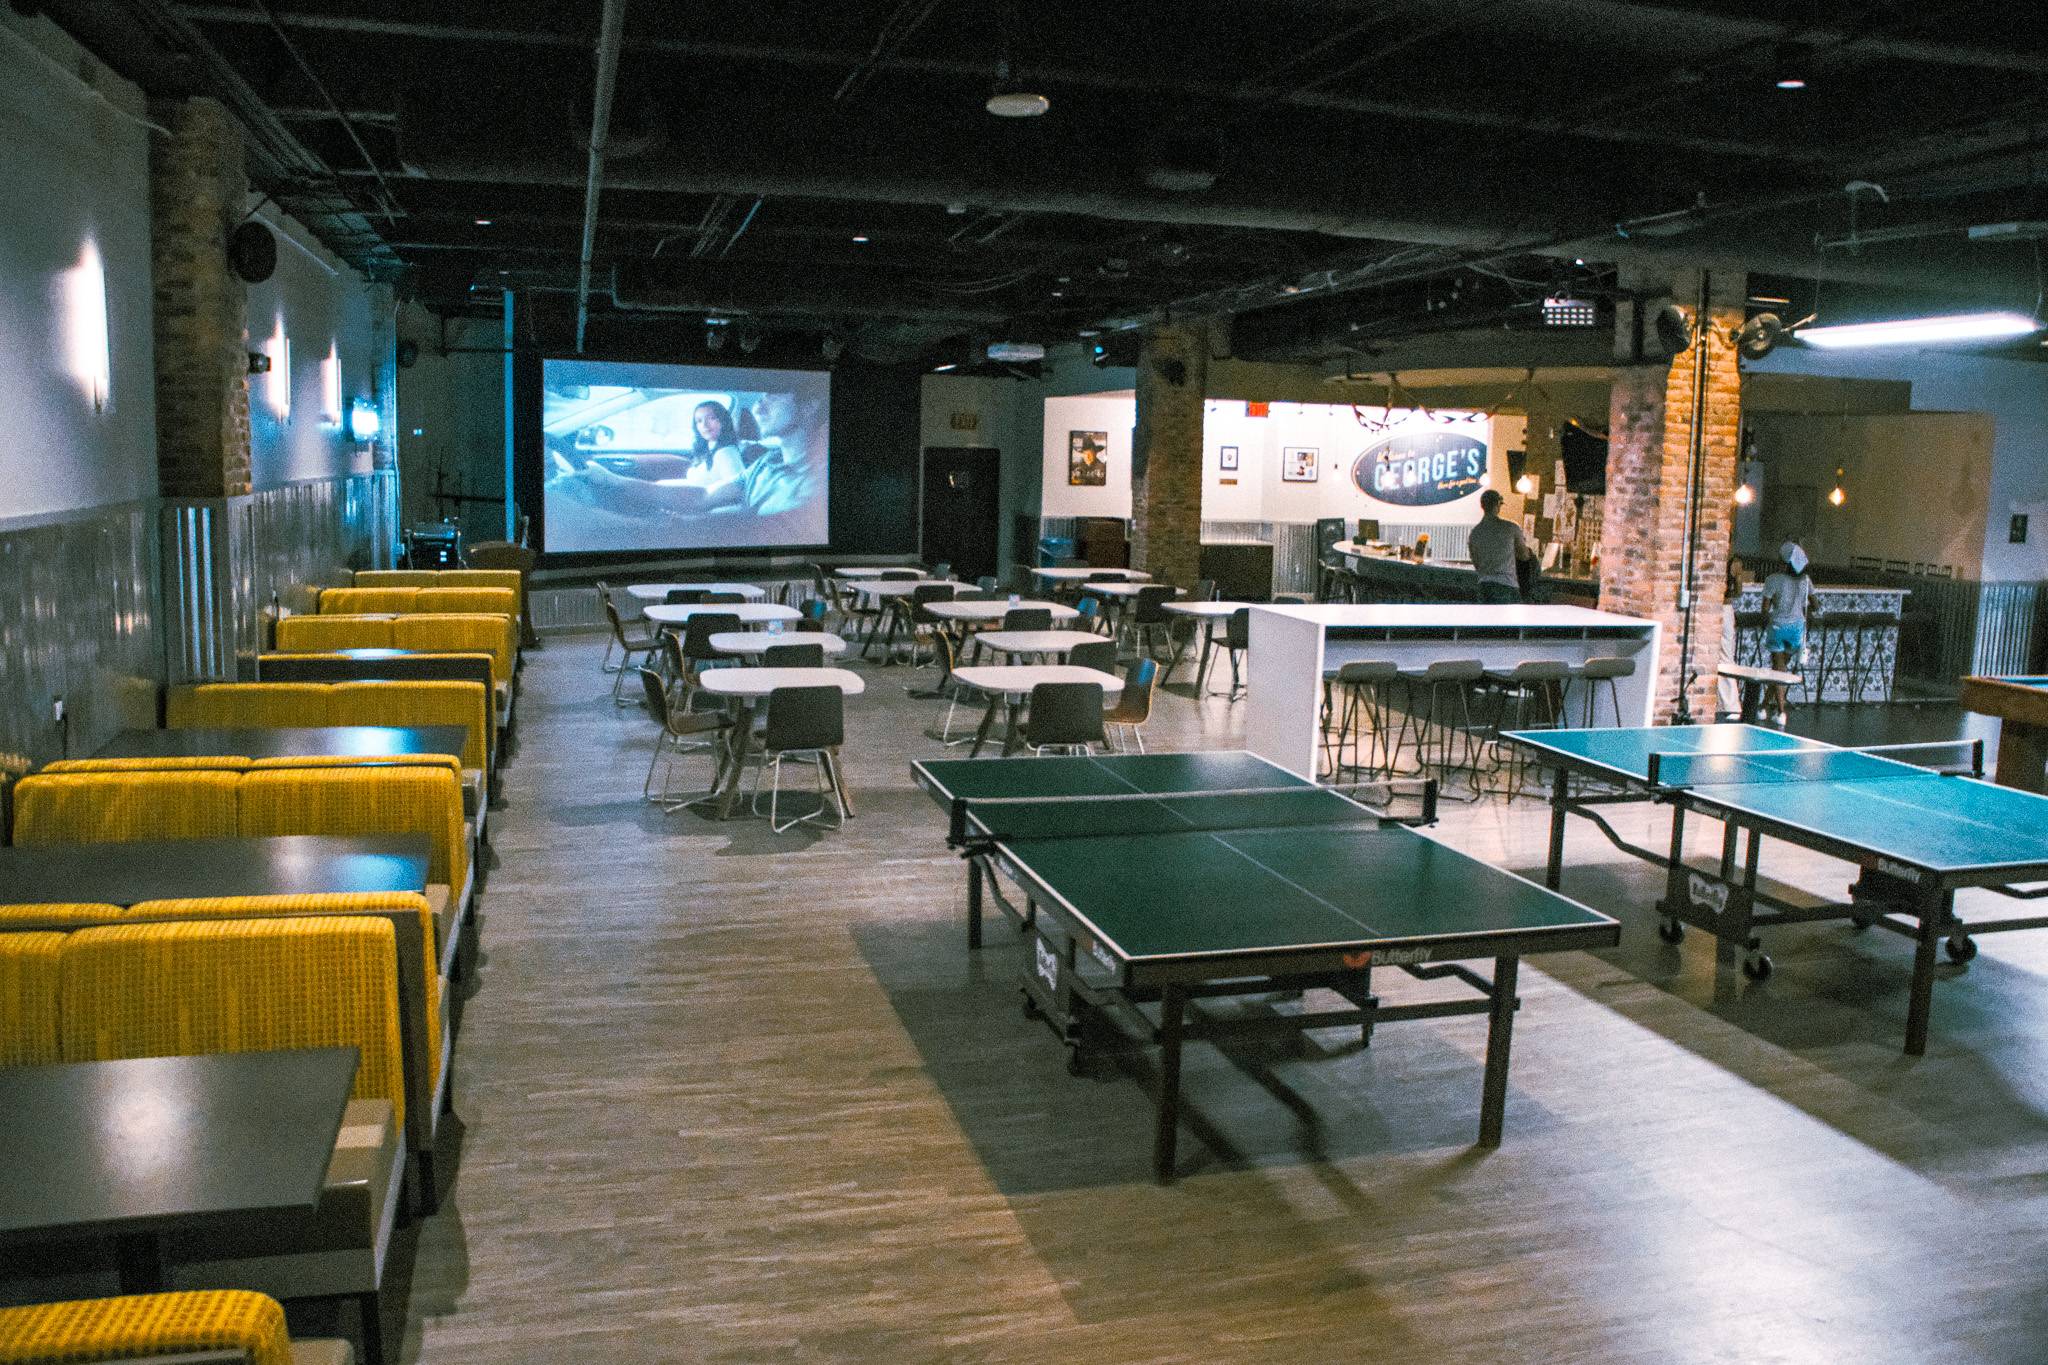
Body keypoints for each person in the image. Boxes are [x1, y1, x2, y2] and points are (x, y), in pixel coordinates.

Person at [1761, 542, 1812, 724]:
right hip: (1796, 629)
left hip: (1778, 628)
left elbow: (1765, 609)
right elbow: (1815, 604)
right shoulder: (1805, 580)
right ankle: (1763, 707)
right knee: (1780, 670)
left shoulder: (1773, 579)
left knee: (1778, 670)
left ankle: (1781, 712)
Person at [1467, 488, 1534, 604]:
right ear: (1498, 505)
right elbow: (1524, 556)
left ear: (1482, 506)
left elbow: (1477, 564)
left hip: (1484, 587)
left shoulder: (1475, 533)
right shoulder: (1511, 528)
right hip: (1506, 587)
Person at [685, 400, 746, 489]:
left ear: (723, 421)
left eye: (711, 418)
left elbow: (738, 490)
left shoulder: (726, 452)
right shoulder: (707, 451)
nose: (704, 425)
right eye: (699, 421)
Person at [1717, 557, 1746, 718]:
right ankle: (1726, 703)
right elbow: (1739, 592)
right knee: (1724, 656)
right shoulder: (1735, 563)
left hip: (1724, 609)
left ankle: (1732, 705)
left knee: (1725, 657)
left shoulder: (1731, 562)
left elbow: (1737, 592)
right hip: (1727, 609)